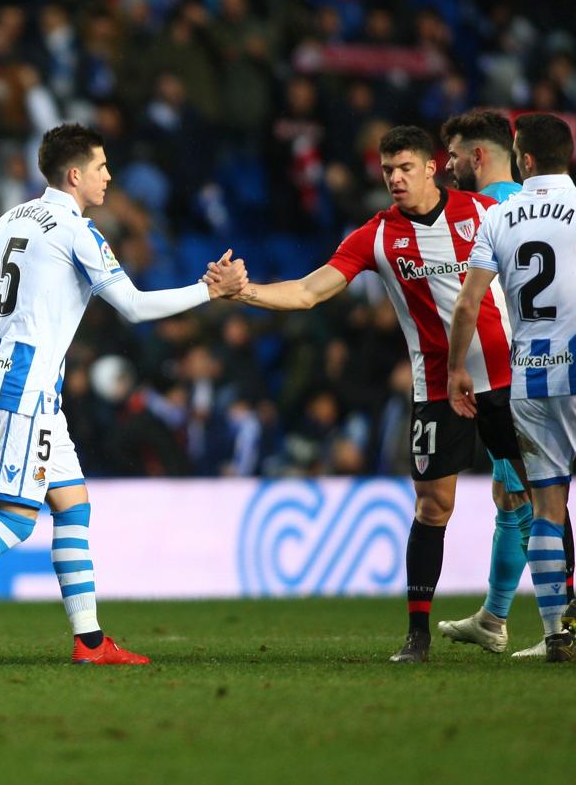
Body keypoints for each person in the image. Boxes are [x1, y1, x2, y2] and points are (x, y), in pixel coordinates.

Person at [0, 123, 246, 666]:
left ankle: (90, 641)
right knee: (15, 521)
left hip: (11, 382)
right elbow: (135, 307)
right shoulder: (78, 231)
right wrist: (207, 290)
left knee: (73, 507)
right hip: (26, 387)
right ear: (74, 175)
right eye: (101, 167)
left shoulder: (12, 218)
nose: (108, 176)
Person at [211, 125, 522, 664]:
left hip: (508, 379)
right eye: (387, 171)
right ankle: (417, 638)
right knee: (433, 506)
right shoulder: (377, 236)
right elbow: (310, 291)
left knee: (532, 496)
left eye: (405, 168)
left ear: (432, 167)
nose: (395, 179)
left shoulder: (482, 213)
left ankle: (559, 626)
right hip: (436, 388)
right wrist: (246, 292)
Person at [448, 112, 576, 662]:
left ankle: (556, 636)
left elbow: (468, 302)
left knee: (547, 507)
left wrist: (456, 369)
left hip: (530, 375)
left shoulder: (499, 217)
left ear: (523, 159)